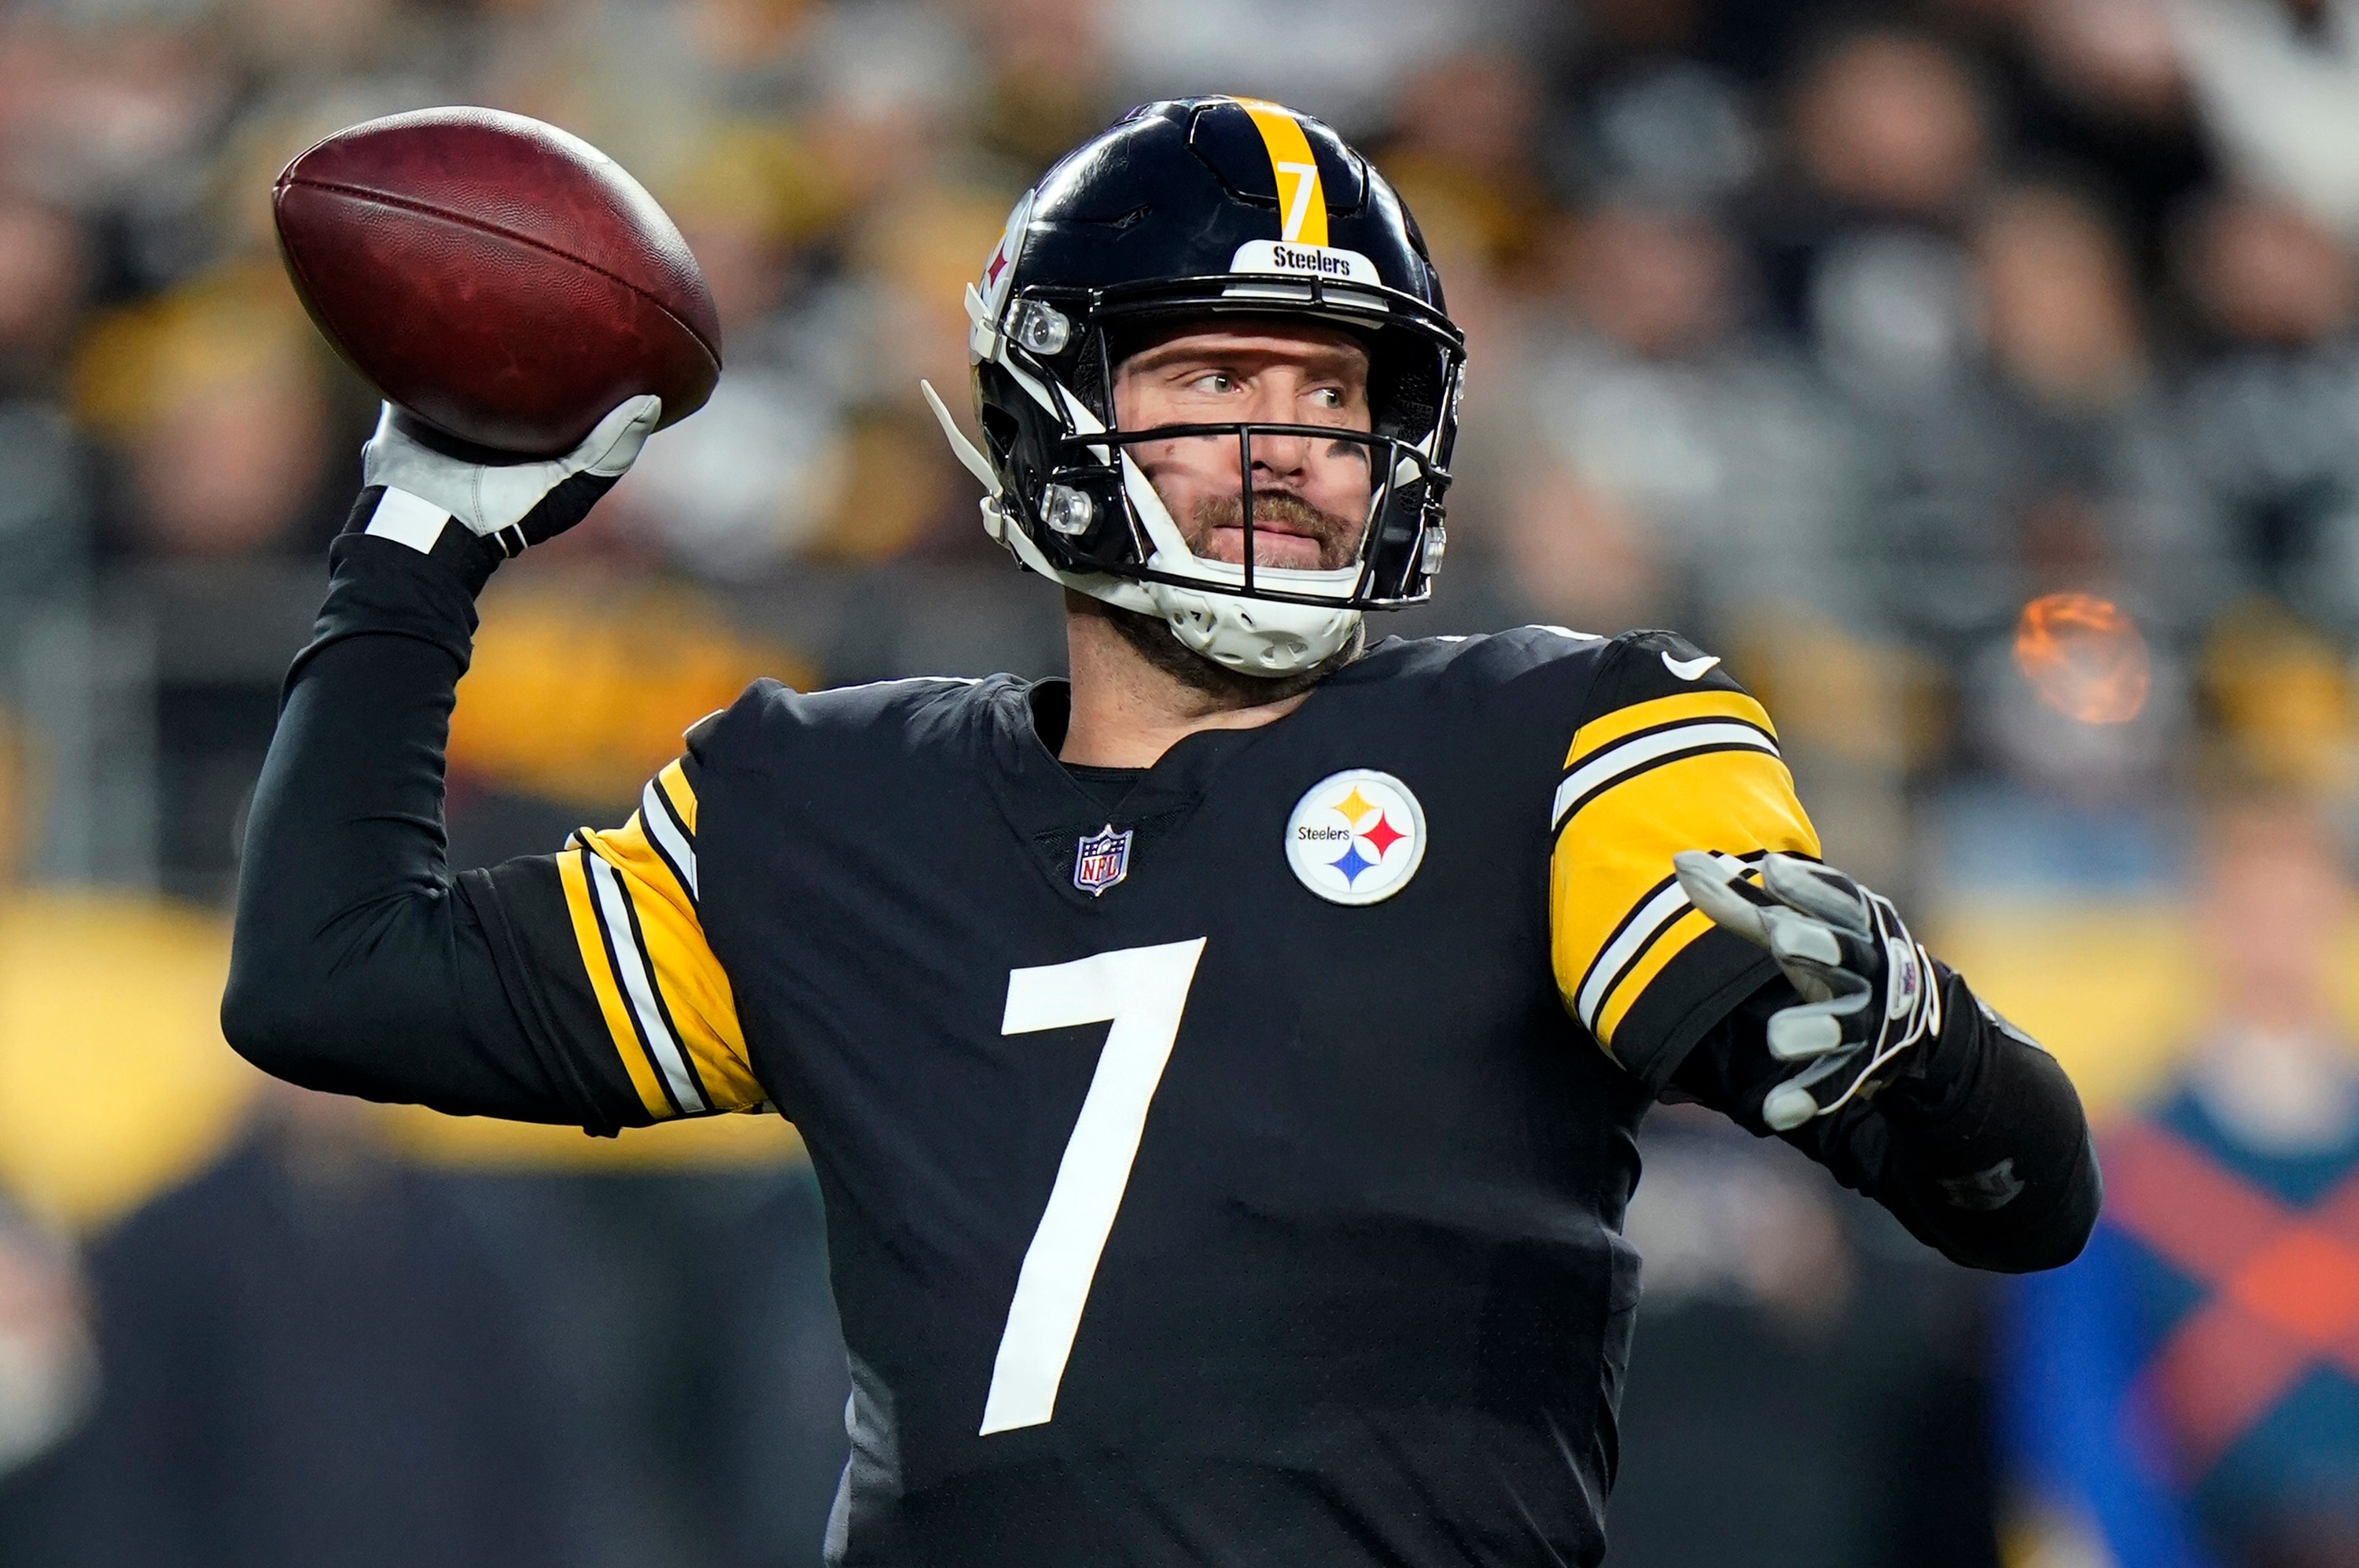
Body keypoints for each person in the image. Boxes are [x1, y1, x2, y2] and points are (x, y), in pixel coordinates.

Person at [223, 98, 2100, 1566]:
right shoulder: (821, 803)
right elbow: (331, 981)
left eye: (1331, 390)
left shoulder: (1559, 737)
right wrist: (426, 530)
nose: (1282, 440)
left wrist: (1919, 1050)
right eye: (1211, 379)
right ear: (1053, 409)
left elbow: (2012, 1195)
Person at [2005, 793, 2359, 1568]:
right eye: (2252, 907)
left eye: (2298, 907)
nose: (2276, 938)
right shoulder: (2120, 1162)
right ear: (2206, 918)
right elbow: (2078, 1405)